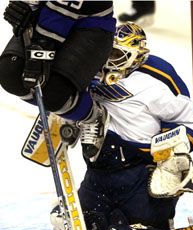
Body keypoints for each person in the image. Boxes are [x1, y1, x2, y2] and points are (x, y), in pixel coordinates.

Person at [50, 22, 193, 230]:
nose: (108, 61)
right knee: (74, 228)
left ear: (136, 55)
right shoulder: (87, 73)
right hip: (97, 175)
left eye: (116, 54)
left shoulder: (153, 84)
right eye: (105, 53)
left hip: (141, 179)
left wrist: (173, 156)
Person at [0, 0, 116, 162]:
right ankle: (69, 103)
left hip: (90, 26)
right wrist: (24, 6)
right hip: (44, 15)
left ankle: (92, 115)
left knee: (53, 94)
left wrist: (42, 46)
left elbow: (63, 10)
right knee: (10, 76)